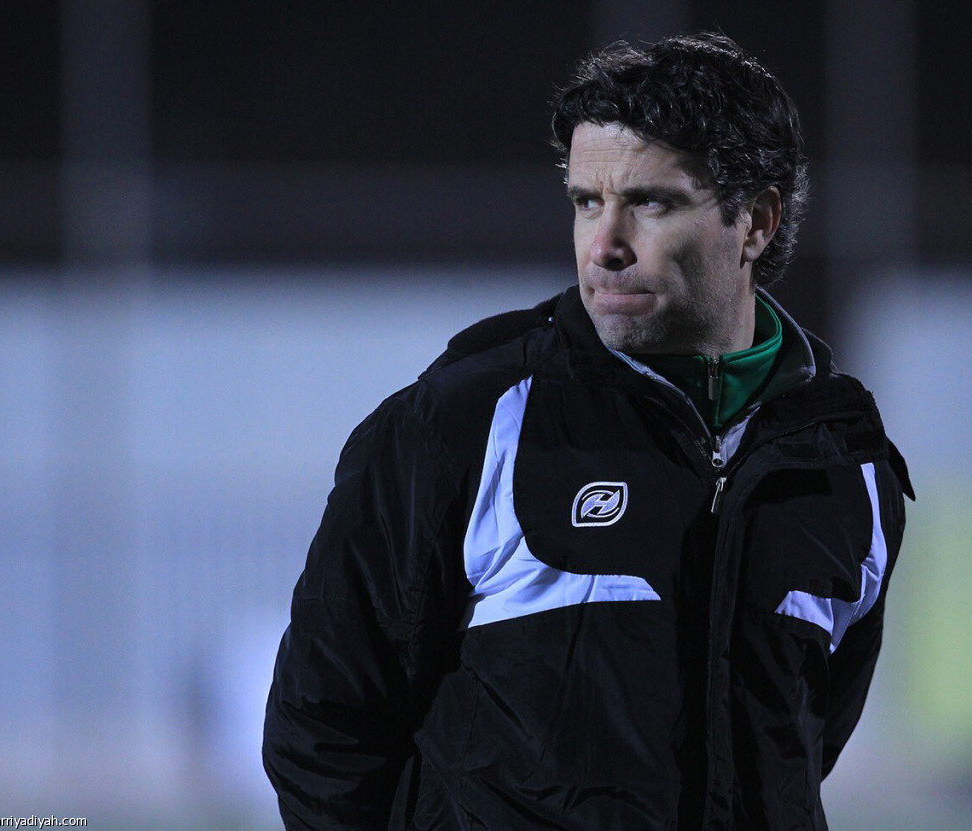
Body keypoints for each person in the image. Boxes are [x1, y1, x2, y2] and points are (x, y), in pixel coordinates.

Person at [262, 33, 914, 830]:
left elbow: (803, 747)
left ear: (756, 222)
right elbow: (322, 736)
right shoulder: (464, 421)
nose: (604, 246)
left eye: (650, 203)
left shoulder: (847, 464)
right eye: (585, 203)